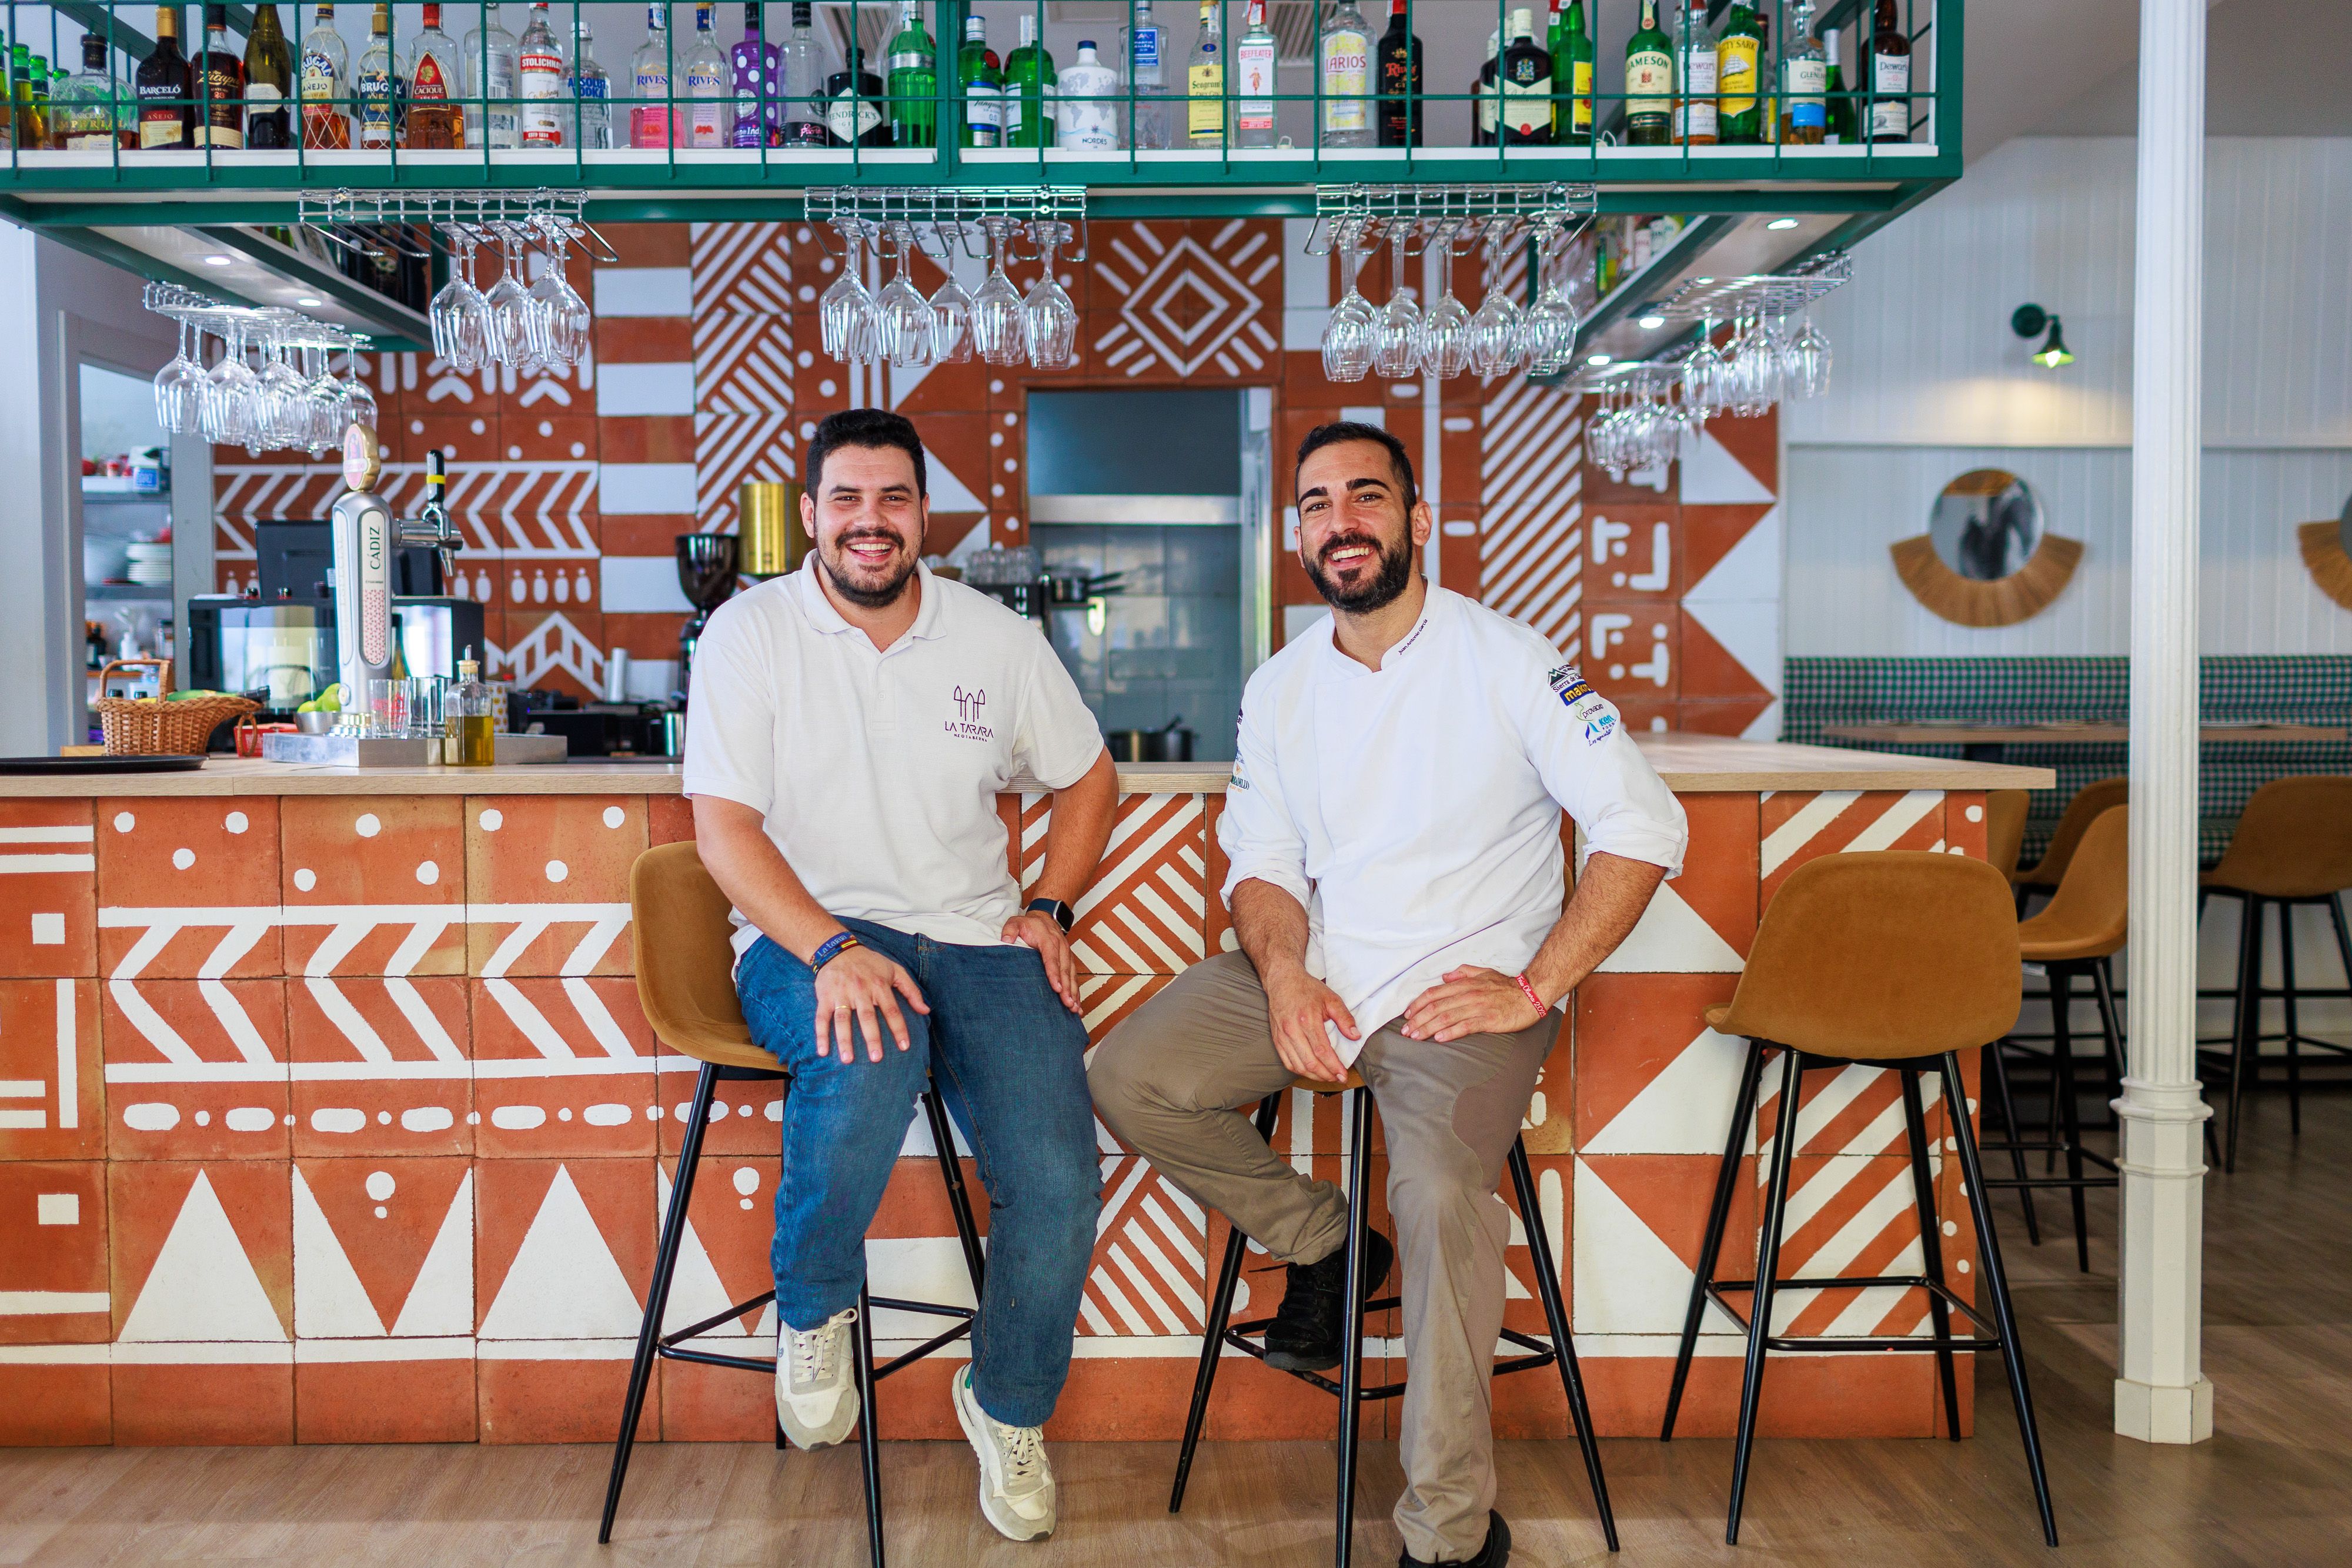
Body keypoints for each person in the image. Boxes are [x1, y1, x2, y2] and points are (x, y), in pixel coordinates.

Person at [1089, 422, 1689, 1568]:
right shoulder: (1279, 688)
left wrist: (1533, 983)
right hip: (1325, 978)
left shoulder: (1511, 658)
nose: (1341, 520)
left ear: (1418, 519)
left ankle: (1447, 1530)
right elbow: (1260, 864)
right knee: (1129, 1074)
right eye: (1316, 503)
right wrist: (1282, 976)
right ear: (1298, 533)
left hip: (1457, 1003)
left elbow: (1642, 823)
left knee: (1434, 1195)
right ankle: (1324, 1242)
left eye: (1366, 496)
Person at [684, 409, 1117, 1542]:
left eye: (892, 501)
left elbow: (1087, 776)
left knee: (1062, 1174)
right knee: (870, 1060)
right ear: (813, 514)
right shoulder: (749, 633)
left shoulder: (993, 637)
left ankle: (1007, 1403)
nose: (869, 523)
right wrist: (830, 947)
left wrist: (1051, 907)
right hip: (808, 935)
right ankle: (817, 1305)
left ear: (923, 513)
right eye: (846, 500)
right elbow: (724, 831)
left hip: (977, 940)